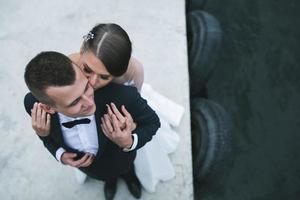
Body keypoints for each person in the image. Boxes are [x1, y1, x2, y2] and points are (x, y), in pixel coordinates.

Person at [29, 23, 180, 193]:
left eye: (104, 77)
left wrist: (131, 129)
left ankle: (130, 174)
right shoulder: (67, 70)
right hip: (96, 155)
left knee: (126, 160)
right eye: (87, 69)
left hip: (119, 136)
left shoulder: (131, 76)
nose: (92, 83)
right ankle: (111, 179)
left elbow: (135, 107)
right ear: (81, 51)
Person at [24, 51, 160, 200]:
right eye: (75, 102)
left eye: (86, 87)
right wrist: (59, 153)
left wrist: (129, 142)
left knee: (127, 170)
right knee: (108, 177)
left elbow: (152, 122)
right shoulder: (33, 106)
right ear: (48, 108)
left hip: (120, 159)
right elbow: (44, 132)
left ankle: (130, 176)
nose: (90, 103)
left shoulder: (122, 96)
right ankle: (110, 182)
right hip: (89, 168)